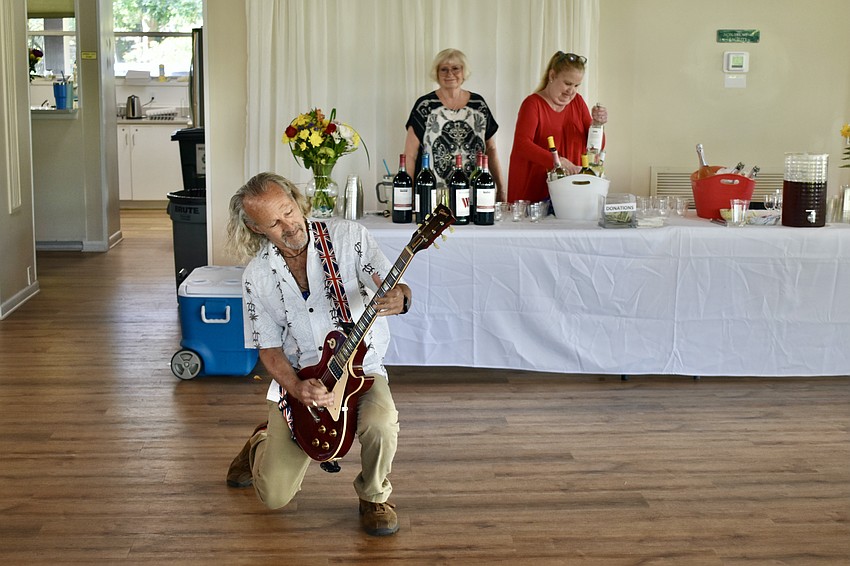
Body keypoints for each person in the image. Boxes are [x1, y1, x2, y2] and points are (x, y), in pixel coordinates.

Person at [224, 172, 411, 537]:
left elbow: (390, 282)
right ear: (255, 227)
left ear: (297, 200)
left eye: (289, 211)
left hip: (362, 368)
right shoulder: (256, 276)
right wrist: (295, 387)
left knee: (381, 423)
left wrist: (401, 297)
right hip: (301, 381)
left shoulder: (349, 237)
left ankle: (374, 496)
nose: (289, 226)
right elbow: (269, 347)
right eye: (274, 223)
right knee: (274, 497)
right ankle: (259, 443)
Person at [405, 48, 506, 201]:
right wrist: (408, 196)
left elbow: (491, 149)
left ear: (463, 72)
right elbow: (410, 155)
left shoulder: (478, 105)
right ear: (437, 74)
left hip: (475, 193)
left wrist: (501, 190)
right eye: (443, 69)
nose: (449, 74)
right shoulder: (425, 106)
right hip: (432, 194)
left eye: (455, 68)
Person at [508, 51, 608, 203]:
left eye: (576, 85)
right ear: (552, 75)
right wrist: (558, 161)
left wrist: (598, 126)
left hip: (569, 193)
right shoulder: (532, 104)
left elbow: (596, 146)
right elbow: (522, 145)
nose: (571, 91)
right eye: (567, 83)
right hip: (535, 194)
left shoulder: (578, 102)